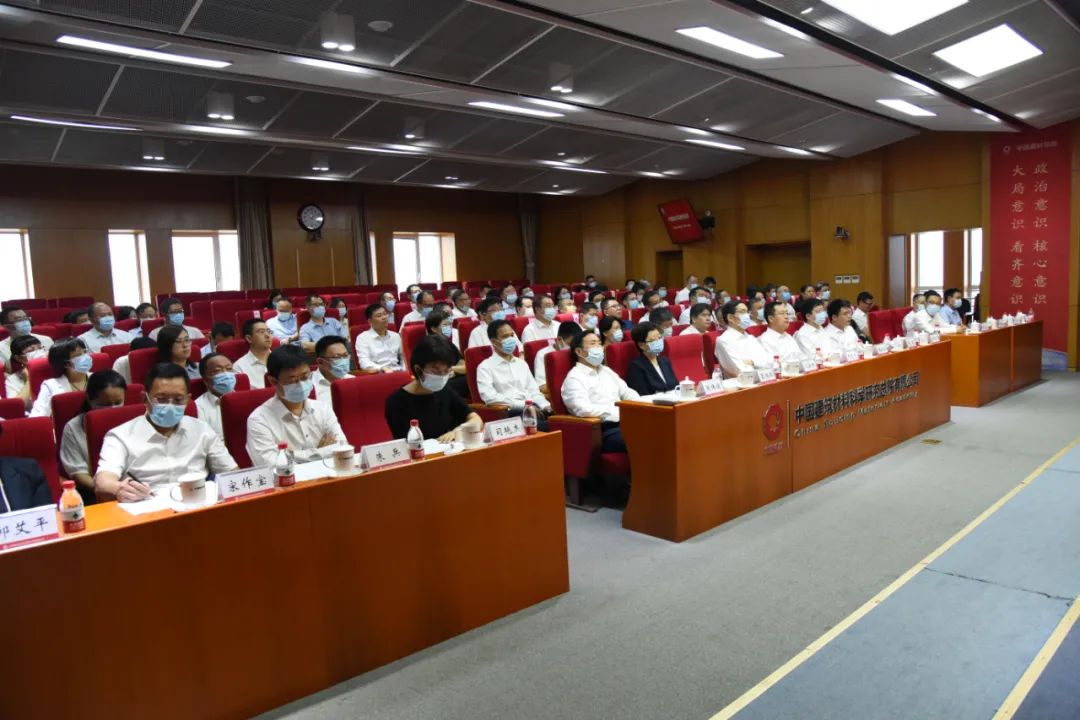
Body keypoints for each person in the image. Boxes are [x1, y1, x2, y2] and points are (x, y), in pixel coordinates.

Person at [94, 363, 237, 500]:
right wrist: (119, 488)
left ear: (188, 400)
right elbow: (103, 481)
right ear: (145, 398)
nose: (170, 405)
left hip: (197, 503)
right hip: (147, 507)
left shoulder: (202, 430)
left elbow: (231, 473)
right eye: (161, 399)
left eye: (178, 400)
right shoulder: (120, 436)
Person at [246, 347, 348, 466]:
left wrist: (291, 455)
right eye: (293, 380)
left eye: (305, 377)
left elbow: (342, 446)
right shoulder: (259, 420)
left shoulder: (323, 409)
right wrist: (320, 453)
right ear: (273, 381)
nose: (301, 384)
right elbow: (271, 464)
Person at [384, 335, 483, 442]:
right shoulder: (396, 402)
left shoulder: (445, 390)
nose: (442, 376)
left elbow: (476, 419)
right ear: (418, 369)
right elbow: (404, 443)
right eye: (436, 370)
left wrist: (458, 430)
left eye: (446, 371)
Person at [560, 330, 640, 453]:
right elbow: (583, 409)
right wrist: (617, 412)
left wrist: (640, 407)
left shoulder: (606, 370)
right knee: (643, 437)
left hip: (626, 421)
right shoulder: (574, 378)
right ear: (579, 351)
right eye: (593, 343)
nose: (599, 347)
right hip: (603, 430)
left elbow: (627, 392)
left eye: (599, 343)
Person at [60, 370, 126, 499]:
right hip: (95, 492)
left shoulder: (133, 421)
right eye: (104, 405)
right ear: (89, 399)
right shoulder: (73, 428)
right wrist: (110, 490)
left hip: (134, 489)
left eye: (118, 403)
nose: (113, 410)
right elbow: (79, 474)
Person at [476, 320, 551, 422]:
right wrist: (525, 406)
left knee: (555, 419)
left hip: (534, 407)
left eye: (512, 335)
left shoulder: (522, 364)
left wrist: (545, 405)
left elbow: (534, 391)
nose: (511, 339)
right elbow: (490, 397)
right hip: (509, 413)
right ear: (493, 341)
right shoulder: (485, 367)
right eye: (505, 337)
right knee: (543, 425)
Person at [30, 338, 92, 418]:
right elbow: (37, 417)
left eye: (85, 352)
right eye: (78, 355)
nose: (86, 357)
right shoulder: (51, 386)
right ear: (66, 363)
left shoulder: (99, 378)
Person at [714, 300, 771, 377]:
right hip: (741, 383)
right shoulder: (723, 341)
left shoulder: (750, 337)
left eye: (747, 312)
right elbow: (741, 371)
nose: (747, 315)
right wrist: (759, 363)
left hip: (764, 379)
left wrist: (752, 362)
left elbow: (770, 362)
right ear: (730, 317)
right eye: (742, 312)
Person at [424, 311, 468, 397]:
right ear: (434, 329)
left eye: (450, 324)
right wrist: (452, 370)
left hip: (454, 379)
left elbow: (465, 366)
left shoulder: (447, 343)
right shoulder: (428, 347)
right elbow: (436, 373)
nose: (449, 327)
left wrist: (452, 369)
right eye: (445, 325)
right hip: (440, 385)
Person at [626, 322, 677, 396]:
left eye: (659, 338)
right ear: (641, 345)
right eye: (653, 340)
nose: (658, 342)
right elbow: (642, 395)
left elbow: (676, 386)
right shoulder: (637, 366)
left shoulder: (665, 361)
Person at [535, 321, 581, 399]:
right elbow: (542, 387)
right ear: (559, 340)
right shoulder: (543, 354)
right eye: (571, 344)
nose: (574, 348)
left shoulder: (579, 351)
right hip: (560, 395)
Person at [194, 352, 237, 436]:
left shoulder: (246, 400)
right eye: (218, 370)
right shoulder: (199, 407)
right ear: (205, 380)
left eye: (229, 369)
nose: (226, 375)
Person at [355, 303, 404, 372]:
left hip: (398, 371)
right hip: (379, 373)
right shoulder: (363, 338)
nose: (384, 317)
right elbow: (364, 362)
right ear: (370, 321)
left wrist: (405, 370)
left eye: (385, 314)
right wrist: (382, 368)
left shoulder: (396, 336)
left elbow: (403, 357)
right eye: (379, 316)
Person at [5, 335, 45, 411]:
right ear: (19, 358)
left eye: (40, 348)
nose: (39, 352)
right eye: (31, 351)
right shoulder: (12, 380)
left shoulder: (56, 371)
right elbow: (15, 408)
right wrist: (29, 381)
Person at [234, 317, 274, 389]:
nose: (267, 335)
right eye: (261, 332)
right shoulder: (239, 367)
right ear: (249, 338)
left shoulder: (282, 359)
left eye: (269, 331)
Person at [312, 335, 353, 405]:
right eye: (337, 357)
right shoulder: (309, 386)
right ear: (320, 361)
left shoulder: (352, 380)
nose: (343, 361)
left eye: (345, 355)